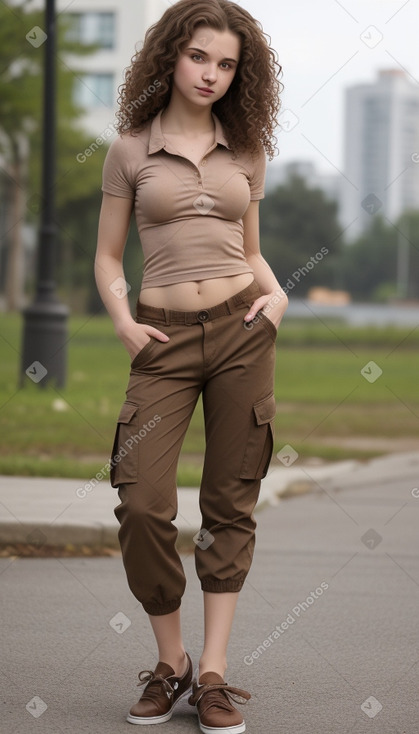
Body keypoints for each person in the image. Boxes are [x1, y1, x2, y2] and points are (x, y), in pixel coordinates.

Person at [95, 1, 287, 731]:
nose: (211, 73)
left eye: (227, 63)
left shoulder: (246, 150)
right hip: (163, 342)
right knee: (142, 502)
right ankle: (168, 661)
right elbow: (108, 255)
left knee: (229, 502)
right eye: (199, 56)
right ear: (170, 58)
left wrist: (278, 300)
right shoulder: (129, 149)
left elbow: (252, 249)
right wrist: (122, 320)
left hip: (242, 330)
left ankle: (211, 673)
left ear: (241, 74)